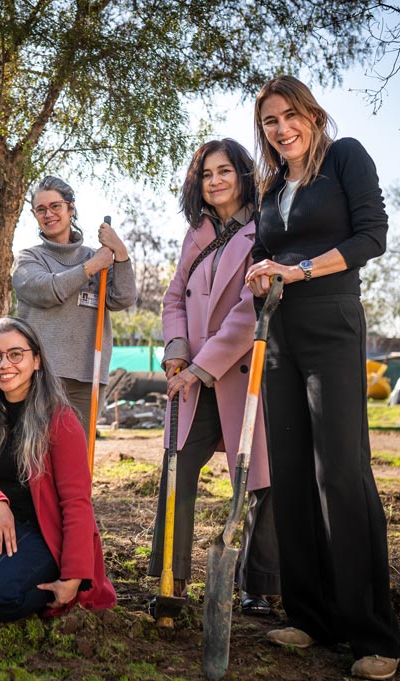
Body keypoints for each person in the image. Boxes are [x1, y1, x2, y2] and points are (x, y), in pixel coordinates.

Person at [242, 75, 400, 681]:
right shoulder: (271, 187)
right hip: (277, 333)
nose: (281, 129)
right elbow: (265, 253)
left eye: (290, 116)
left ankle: (373, 634)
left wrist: (300, 269)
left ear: (312, 114)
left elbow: (372, 236)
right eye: (270, 122)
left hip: (333, 325)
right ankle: (311, 617)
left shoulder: (344, 158)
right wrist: (261, 272)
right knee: (290, 474)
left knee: (340, 474)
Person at [149, 139, 280, 614]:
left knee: (259, 478)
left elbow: (251, 309)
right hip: (190, 374)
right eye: (206, 174)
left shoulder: (267, 228)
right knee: (177, 465)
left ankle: (258, 585)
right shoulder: (196, 233)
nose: (215, 181)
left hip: (243, 371)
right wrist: (177, 354)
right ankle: (171, 578)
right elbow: (174, 299)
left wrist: (203, 367)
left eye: (224, 171)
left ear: (243, 175)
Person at [0, 317, 117, 629]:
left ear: (36, 360)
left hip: (43, 535)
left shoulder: (60, 419)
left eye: (16, 354)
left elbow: (76, 502)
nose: (5, 364)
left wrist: (73, 577)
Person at [12, 176, 137, 436]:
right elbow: (48, 290)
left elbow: (123, 298)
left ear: (71, 208)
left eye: (55, 206)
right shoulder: (29, 258)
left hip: (88, 375)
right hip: (41, 374)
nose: (48, 214)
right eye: (41, 209)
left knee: (79, 450)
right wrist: (91, 268)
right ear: (34, 215)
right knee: (38, 450)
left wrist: (120, 253)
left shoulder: (96, 256)